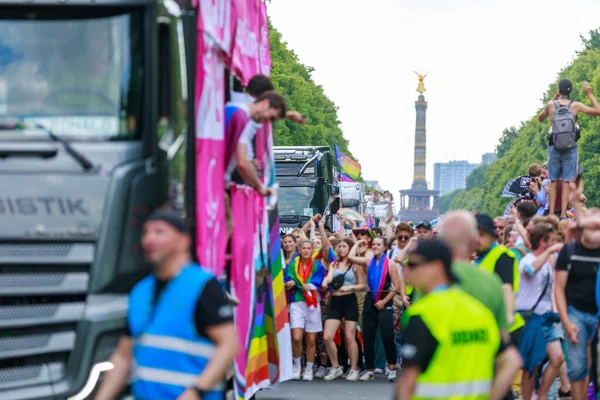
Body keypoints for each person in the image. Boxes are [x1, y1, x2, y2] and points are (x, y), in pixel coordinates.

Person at [95, 209, 239, 400]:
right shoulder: (140, 291)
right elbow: (124, 354)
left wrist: (196, 391)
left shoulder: (203, 285)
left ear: (183, 241)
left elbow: (229, 345)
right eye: (146, 233)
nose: (149, 239)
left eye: (159, 232)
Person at [396, 240, 522, 400]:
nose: (406, 271)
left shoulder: (421, 314)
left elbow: (407, 384)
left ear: (436, 267)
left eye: (413, 265)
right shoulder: (479, 310)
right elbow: (512, 361)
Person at [538, 79, 600, 218]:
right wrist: (589, 94)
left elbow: (540, 118)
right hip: (570, 147)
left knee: (553, 180)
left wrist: (553, 98)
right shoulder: (575, 106)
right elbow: (598, 110)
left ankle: (553, 213)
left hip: (554, 146)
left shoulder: (551, 105)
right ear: (570, 91)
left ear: (559, 90)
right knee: (566, 181)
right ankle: (563, 215)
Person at [516, 223, 564, 400]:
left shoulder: (548, 261)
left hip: (546, 318)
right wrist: (549, 252)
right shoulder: (527, 260)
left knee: (558, 358)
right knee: (531, 365)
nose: (555, 242)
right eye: (551, 240)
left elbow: (552, 289)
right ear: (543, 242)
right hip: (530, 319)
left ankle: (542, 395)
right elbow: (530, 270)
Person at [349, 236, 400, 382]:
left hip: (385, 301)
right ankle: (369, 369)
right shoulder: (368, 261)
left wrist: (384, 301)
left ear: (385, 248)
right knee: (368, 336)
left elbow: (396, 286)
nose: (375, 246)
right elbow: (351, 257)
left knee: (387, 336)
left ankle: (391, 369)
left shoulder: (390, 264)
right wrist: (358, 243)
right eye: (374, 244)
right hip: (370, 300)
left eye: (379, 244)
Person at [224, 91, 287, 197]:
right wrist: (260, 187)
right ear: (266, 103)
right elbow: (242, 162)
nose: (268, 122)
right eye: (271, 117)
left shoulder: (232, 108)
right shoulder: (241, 118)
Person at [321, 238, 367, 381]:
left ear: (349, 248)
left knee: (349, 336)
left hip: (349, 300)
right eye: (339, 247)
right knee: (327, 336)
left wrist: (351, 287)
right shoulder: (334, 264)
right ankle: (336, 367)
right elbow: (329, 277)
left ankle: (354, 368)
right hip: (335, 300)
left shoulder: (355, 264)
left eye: (344, 247)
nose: (341, 249)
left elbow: (363, 285)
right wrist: (325, 282)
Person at [475, 213, 525, 343]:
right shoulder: (478, 258)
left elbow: (506, 286)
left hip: (506, 328)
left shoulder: (501, 254)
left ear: (492, 236)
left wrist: (507, 317)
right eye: (474, 235)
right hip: (488, 325)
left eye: (481, 235)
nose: (477, 239)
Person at [284, 240, 327, 381]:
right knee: (296, 338)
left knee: (310, 339)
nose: (307, 251)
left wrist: (311, 286)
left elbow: (319, 282)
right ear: (300, 250)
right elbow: (287, 278)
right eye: (304, 248)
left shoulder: (317, 266)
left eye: (309, 248)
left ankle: (308, 369)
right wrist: (289, 283)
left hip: (313, 303)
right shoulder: (293, 264)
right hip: (297, 302)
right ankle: (297, 367)